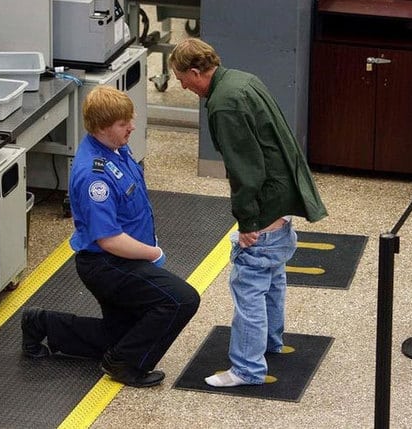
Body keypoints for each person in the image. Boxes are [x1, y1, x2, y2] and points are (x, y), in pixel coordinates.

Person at [169, 38, 328, 387]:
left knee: (249, 286)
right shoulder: (244, 79)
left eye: (182, 78)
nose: (181, 85)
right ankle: (272, 341)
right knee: (274, 278)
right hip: (284, 197)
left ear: (196, 71)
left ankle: (246, 369)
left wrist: (247, 224)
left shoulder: (223, 105)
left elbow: (245, 170)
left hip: (265, 207)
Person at [21, 85, 200, 388]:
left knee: (121, 335)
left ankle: (42, 324)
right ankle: (124, 364)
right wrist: (152, 253)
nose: (131, 127)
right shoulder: (95, 176)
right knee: (181, 300)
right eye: (123, 123)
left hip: (123, 258)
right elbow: (109, 240)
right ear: (102, 128)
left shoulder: (116, 148)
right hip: (109, 264)